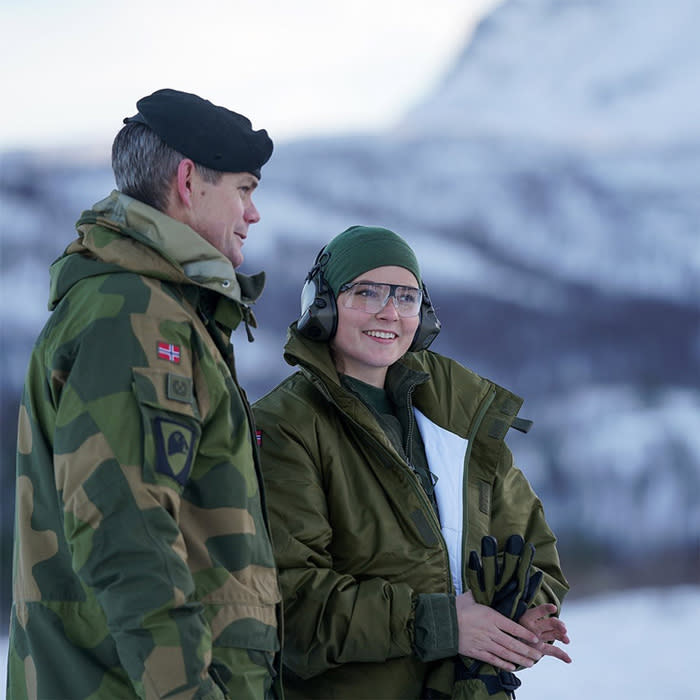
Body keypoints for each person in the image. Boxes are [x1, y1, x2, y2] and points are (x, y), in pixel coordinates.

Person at [7, 89, 282, 700]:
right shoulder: (134, 315)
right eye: (244, 188)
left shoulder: (158, 304)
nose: (253, 213)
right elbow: (127, 540)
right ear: (188, 180)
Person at [252, 225, 571, 699]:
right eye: (366, 292)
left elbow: (531, 545)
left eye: (405, 296)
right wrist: (442, 625)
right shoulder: (285, 426)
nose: (389, 312)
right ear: (321, 305)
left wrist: (524, 614)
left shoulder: (457, 413)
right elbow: (291, 603)